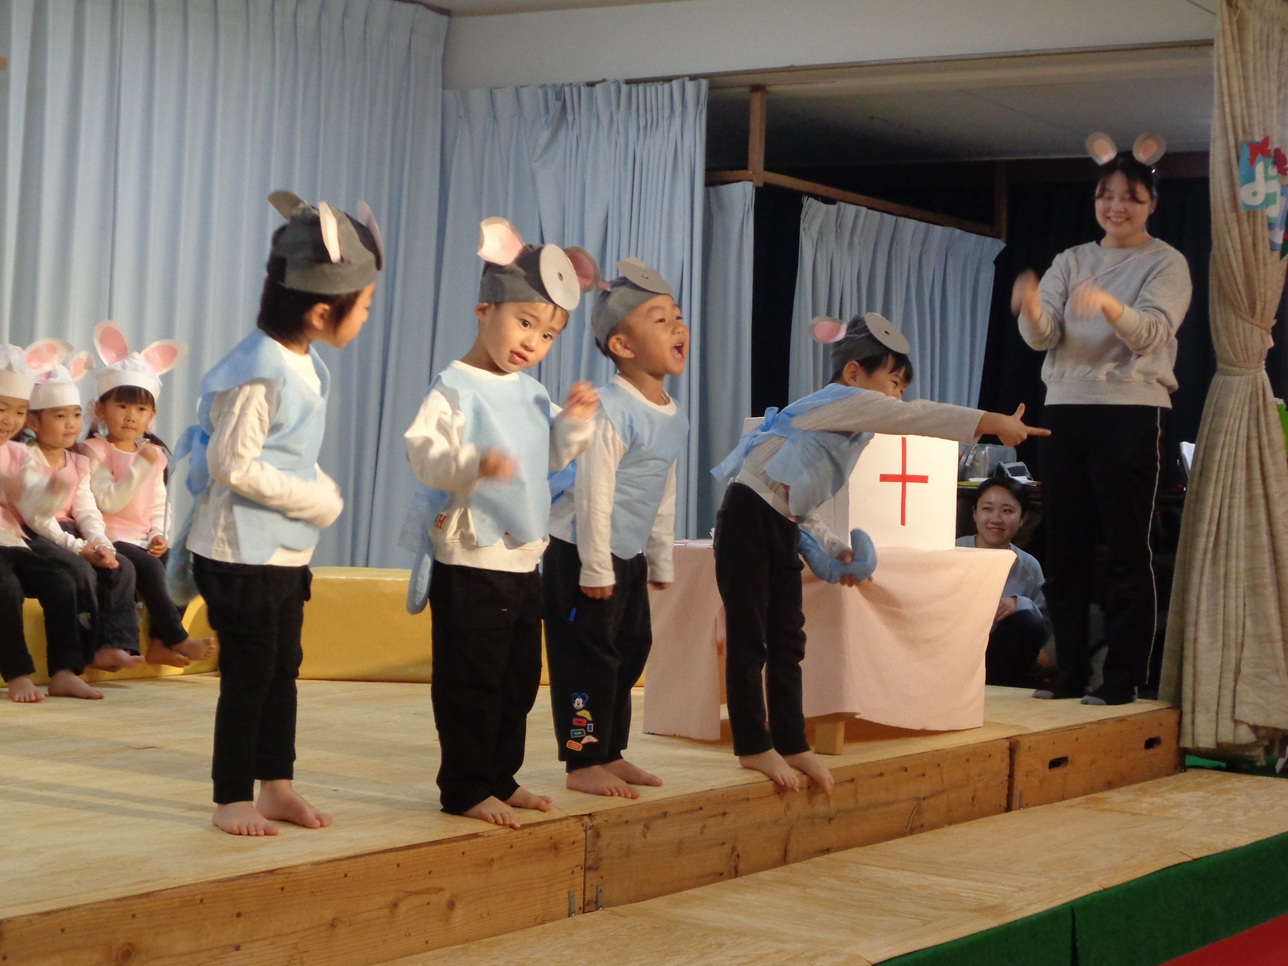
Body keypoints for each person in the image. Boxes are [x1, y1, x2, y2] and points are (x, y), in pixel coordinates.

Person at [712, 313, 1049, 794]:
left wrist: (835, 548)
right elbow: (917, 417)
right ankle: (752, 744)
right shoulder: (839, 400)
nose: (898, 397)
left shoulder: (843, 422)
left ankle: (791, 741)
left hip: (778, 524)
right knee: (751, 640)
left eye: (902, 387)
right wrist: (993, 423)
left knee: (788, 640)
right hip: (747, 520)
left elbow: (796, 505)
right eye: (893, 383)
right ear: (854, 373)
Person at [174, 191, 381, 836]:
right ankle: (232, 796)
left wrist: (309, 497)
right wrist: (314, 498)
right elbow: (231, 464)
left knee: (281, 670)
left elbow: (285, 452)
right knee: (249, 675)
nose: (366, 318)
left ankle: (276, 785)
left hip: (282, 551)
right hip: (239, 553)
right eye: (364, 307)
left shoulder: (303, 361)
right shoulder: (259, 369)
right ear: (321, 310)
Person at [404, 216, 599, 829]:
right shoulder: (454, 386)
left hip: (522, 556)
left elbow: (550, 456)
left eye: (548, 335)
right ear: (484, 309)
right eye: (524, 323)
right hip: (471, 556)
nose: (532, 342)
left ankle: (500, 777)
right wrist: (472, 463)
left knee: (517, 679)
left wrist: (575, 422)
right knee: (472, 677)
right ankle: (465, 786)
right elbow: (425, 455)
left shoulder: (531, 393)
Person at [1013, 133, 1192, 705]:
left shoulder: (1166, 262)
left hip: (1131, 410)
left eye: (1130, 197)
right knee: (1064, 547)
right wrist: (1031, 306)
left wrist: (1110, 305)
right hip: (1065, 408)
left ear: (1150, 205)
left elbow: (1153, 334)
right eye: (1106, 196)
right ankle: (1067, 674)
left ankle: (1121, 680)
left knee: (1125, 549)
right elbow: (1044, 337)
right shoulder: (1071, 260)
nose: (1116, 206)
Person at [543, 258, 689, 798]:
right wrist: (595, 566)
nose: (677, 327)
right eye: (660, 320)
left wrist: (660, 556)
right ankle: (582, 760)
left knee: (629, 651)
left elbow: (663, 489)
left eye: (677, 316)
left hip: (625, 555)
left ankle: (610, 751)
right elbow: (593, 490)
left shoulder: (672, 412)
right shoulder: (612, 408)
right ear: (622, 346)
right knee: (587, 659)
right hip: (581, 553)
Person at [81, 322, 215, 669]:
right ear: (101, 409)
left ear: (152, 415)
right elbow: (107, 501)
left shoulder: (153, 453)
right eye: (122, 406)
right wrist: (139, 467)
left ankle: (159, 644)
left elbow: (159, 504)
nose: (131, 416)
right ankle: (178, 638)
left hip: (141, 538)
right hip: (109, 537)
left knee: (183, 567)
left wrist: (158, 534)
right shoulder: (92, 450)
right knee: (149, 568)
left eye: (141, 409)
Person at [22, 360, 144, 677]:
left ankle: (113, 643)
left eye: (76, 415)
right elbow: (37, 516)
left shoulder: (78, 461)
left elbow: (86, 509)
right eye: (59, 416)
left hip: (71, 532)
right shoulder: (26, 459)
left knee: (122, 566)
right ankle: (85, 650)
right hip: (36, 533)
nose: (71, 424)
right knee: (79, 569)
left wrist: (100, 542)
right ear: (33, 420)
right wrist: (79, 548)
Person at [0, 344, 99, 702]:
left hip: (11, 541)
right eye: (1, 409)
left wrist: (53, 490)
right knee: (6, 587)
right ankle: (17, 674)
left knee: (61, 582)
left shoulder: (17, 452)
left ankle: (63, 671)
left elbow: (35, 507)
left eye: (19, 411)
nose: (9, 420)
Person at [955, 474, 1051, 688]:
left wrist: (1020, 604)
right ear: (974, 514)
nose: (996, 519)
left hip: (999, 655)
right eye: (987, 509)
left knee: (1026, 622)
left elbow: (1043, 627)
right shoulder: (953, 552)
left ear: (1023, 518)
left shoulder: (1028, 565)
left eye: (1007, 511)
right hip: (954, 651)